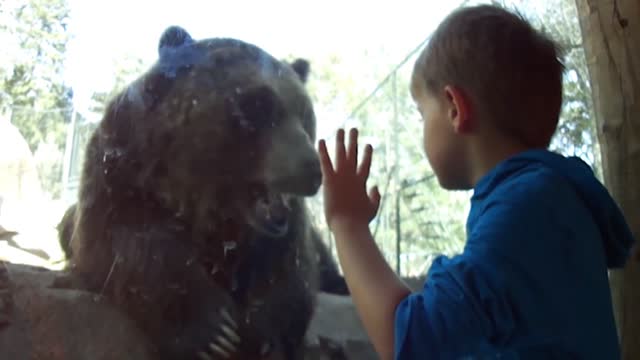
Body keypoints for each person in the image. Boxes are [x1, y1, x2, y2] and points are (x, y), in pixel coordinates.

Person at [317, 4, 635, 360]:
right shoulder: (552, 207)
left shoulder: (528, 208)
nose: (422, 130)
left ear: (454, 108)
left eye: (422, 113)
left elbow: (415, 340)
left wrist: (348, 224)